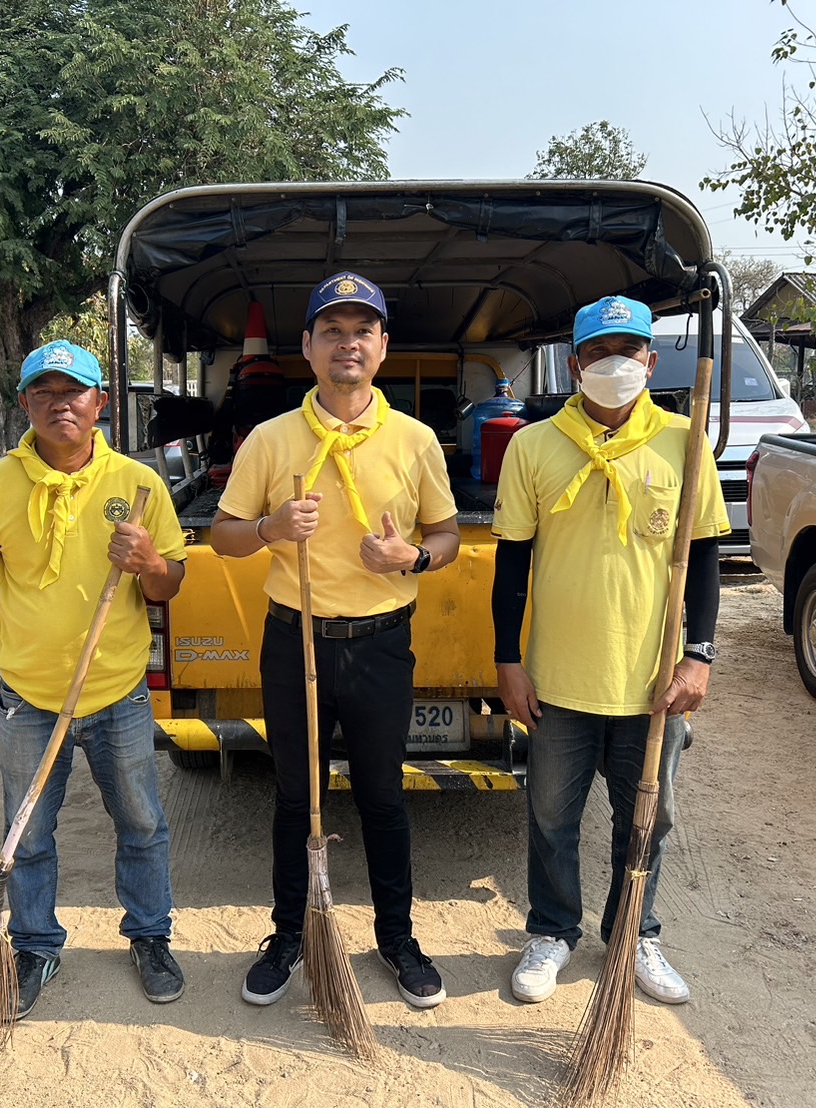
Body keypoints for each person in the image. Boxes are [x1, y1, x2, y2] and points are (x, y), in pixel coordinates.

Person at [211, 271, 461, 1010]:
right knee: (298, 798)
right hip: (295, 640)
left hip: (381, 643)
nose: (346, 343)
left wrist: (412, 558)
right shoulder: (270, 439)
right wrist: (269, 528)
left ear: (381, 347)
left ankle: (397, 939)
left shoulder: (415, 440)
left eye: (361, 331)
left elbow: (446, 536)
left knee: (383, 796)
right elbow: (223, 536)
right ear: (307, 347)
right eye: (331, 330)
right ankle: (289, 935)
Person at [490, 295, 729, 1007]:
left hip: (652, 681)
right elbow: (511, 565)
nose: (613, 364)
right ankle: (551, 932)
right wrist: (507, 659)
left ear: (651, 363)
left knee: (648, 820)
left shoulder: (684, 442)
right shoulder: (533, 446)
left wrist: (699, 655)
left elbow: (706, 557)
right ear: (574, 365)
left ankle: (634, 933)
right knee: (550, 817)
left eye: (628, 352)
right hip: (559, 678)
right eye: (598, 352)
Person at [0, 339, 189, 1018]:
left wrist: (148, 562)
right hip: (27, 698)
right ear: (25, 403)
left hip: (118, 693)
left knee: (141, 823)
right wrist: (19, 622)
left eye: (74, 391)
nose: (61, 404)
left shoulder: (137, 486)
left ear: (99, 402)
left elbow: (170, 585)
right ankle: (35, 946)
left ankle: (150, 936)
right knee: (26, 835)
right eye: (45, 392)